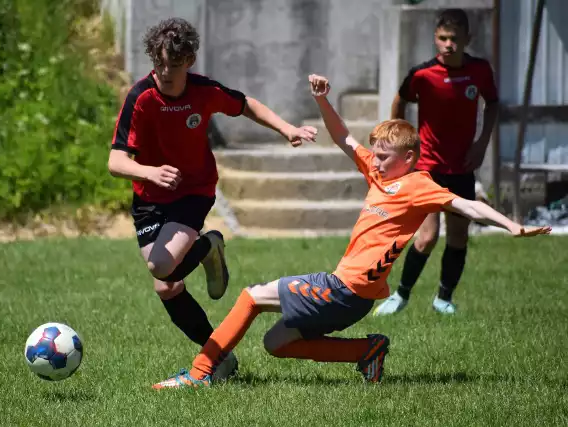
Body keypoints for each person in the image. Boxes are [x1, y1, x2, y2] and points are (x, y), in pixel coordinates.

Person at [151, 74, 550, 389]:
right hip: (358, 297)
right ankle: (367, 350)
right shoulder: (379, 175)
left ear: (408, 159)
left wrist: (509, 223)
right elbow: (343, 137)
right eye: (374, 155)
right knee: (276, 344)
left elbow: (466, 204)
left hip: (345, 288)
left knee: (251, 297)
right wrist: (323, 99)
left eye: (383, 157)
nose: (374, 162)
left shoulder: (418, 185)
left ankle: (200, 373)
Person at [108, 17, 317, 380]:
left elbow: (245, 104)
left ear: (189, 61)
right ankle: (219, 357)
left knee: (161, 266)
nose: (165, 73)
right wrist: (149, 172)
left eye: (173, 66)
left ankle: (206, 248)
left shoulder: (204, 91)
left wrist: (287, 129)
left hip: (194, 190)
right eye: (158, 65)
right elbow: (115, 160)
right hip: (149, 199)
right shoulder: (140, 97)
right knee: (166, 285)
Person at [375, 9, 500, 315]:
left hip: (462, 167)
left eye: (455, 38)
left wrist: (482, 144)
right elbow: (400, 98)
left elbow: (493, 103)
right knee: (427, 236)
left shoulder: (480, 71)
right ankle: (400, 296)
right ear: (435, 38)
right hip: (428, 167)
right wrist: (400, 137)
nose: (448, 44)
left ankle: (444, 298)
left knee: (458, 235)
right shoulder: (422, 75)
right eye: (443, 38)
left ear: (467, 39)